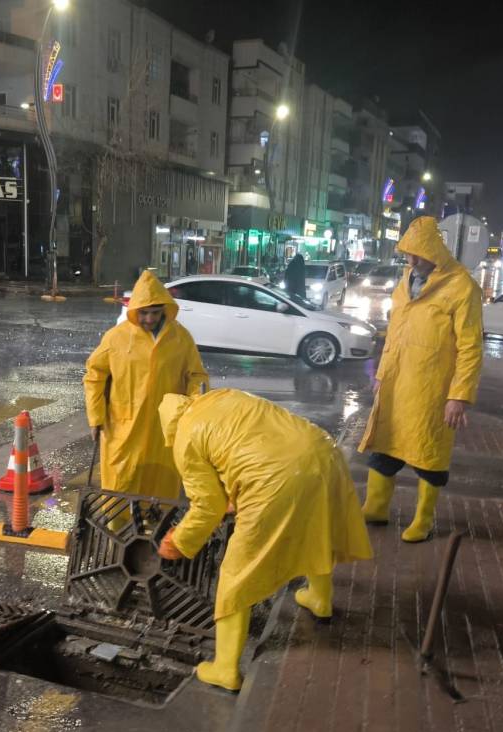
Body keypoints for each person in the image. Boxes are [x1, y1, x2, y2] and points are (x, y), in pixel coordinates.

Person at [156, 389, 374, 691]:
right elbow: (248, 445)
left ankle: (225, 668)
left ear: (166, 426)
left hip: (277, 478)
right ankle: (320, 598)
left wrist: (179, 541)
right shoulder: (221, 397)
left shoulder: (184, 437)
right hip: (323, 452)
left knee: (236, 572)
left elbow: (207, 506)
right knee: (315, 528)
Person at [358, 216, 483, 543]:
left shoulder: (461, 287)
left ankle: (423, 520)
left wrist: (459, 395)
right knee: (384, 446)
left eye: (417, 255)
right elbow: (394, 334)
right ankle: (376, 508)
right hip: (397, 384)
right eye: (407, 255)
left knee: (429, 454)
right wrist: (382, 375)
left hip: (433, 389)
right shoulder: (404, 282)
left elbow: (470, 346)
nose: (411, 262)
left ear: (434, 252)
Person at [83, 270, 209, 499]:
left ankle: (157, 533)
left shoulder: (181, 338)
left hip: (166, 430)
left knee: (161, 490)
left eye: (155, 313)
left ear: (164, 309)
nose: (149, 319)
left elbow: (197, 376)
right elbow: (95, 375)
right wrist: (96, 417)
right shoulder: (116, 337)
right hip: (123, 429)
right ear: (134, 311)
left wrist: (193, 411)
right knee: (120, 488)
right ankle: (117, 533)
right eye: (144, 313)